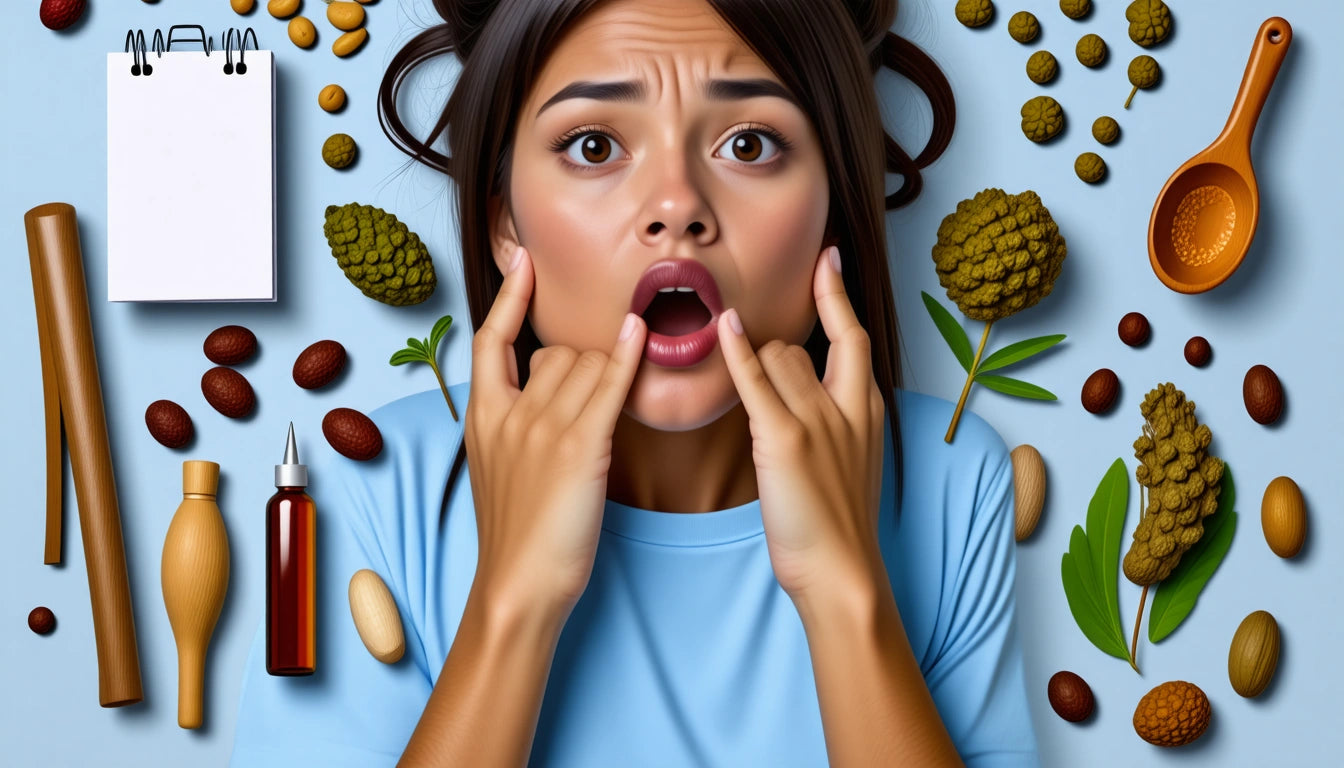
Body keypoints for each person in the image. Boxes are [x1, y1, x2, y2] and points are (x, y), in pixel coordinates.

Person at [230, 0, 1042, 765]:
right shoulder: (369, 487)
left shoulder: (949, 476)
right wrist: (513, 603)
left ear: (834, 208)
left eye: (750, 144)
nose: (677, 205)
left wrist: (845, 591)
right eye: (594, 146)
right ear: (506, 224)